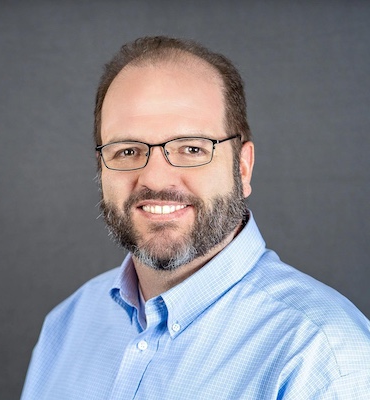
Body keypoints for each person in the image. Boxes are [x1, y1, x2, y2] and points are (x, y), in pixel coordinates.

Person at [21, 36, 370, 399]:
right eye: (127, 150)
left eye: (191, 148)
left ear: (243, 167)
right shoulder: (66, 326)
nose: (155, 179)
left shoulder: (324, 358)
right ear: (101, 167)